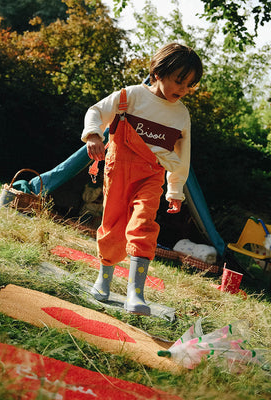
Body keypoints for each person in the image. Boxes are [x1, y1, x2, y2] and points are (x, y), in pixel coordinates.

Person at [81, 43, 203, 315]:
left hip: (152, 175)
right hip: (118, 169)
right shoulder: (131, 96)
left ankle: (136, 295)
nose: (182, 89)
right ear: (158, 72)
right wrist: (92, 134)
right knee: (113, 226)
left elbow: (182, 155)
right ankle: (104, 279)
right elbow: (96, 111)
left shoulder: (181, 114)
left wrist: (175, 189)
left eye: (189, 85)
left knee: (143, 224)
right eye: (178, 80)